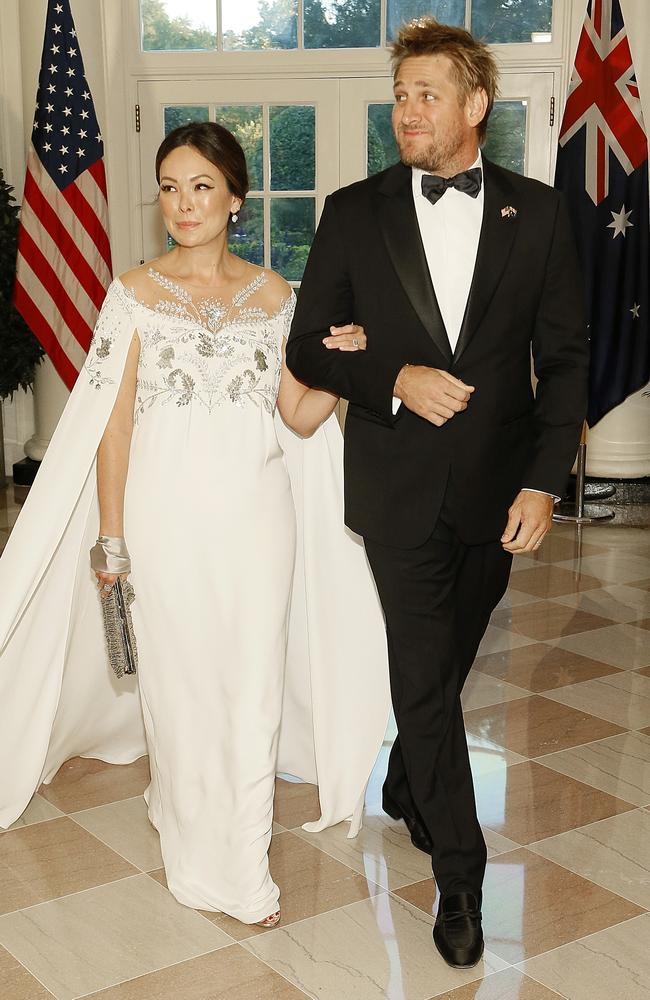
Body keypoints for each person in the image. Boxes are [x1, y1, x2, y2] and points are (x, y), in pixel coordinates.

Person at [0, 122, 390, 927]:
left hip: (259, 520)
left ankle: (240, 862)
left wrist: (345, 371)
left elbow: (298, 412)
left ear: (235, 200)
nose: (184, 204)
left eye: (202, 186)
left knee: (251, 685)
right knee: (179, 686)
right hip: (163, 516)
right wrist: (111, 535)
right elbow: (112, 425)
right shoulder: (134, 294)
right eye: (171, 188)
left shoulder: (278, 297)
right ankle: (184, 816)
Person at [287, 17, 589, 968]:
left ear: (475, 107)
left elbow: (568, 364)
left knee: (446, 667)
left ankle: (416, 785)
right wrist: (390, 379)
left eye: (425, 93)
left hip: (499, 497)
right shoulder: (352, 210)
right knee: (422, 673)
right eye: (400, 93)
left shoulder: (538, 215)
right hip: (397, 487)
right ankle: (460, 875)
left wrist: (546, 482)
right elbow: (304, 346)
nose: (405, 109)